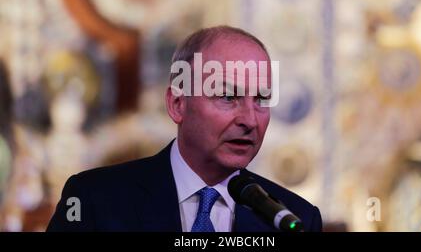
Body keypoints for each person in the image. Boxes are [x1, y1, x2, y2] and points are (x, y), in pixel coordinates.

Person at [47, 25, 322, 232]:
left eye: (261, 99)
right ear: (178, 104)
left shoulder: (295, 220)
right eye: (227, 97)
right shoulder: (93, 201)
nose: (249, 120)